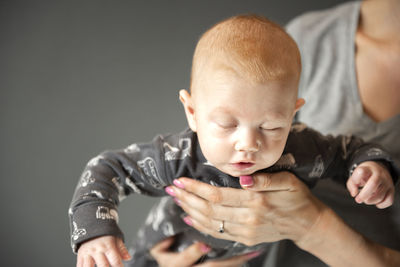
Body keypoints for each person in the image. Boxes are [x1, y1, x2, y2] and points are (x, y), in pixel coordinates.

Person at [68, 14, 398, 267]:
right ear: (193, 112)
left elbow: (349, 150)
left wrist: (370, 167)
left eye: (270, 126)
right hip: (160, 258)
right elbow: (108, 167)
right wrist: (96, 232)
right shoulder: (179, 156)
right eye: (227, 124)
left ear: (293, 113)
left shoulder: (303, 150)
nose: (248, 143)